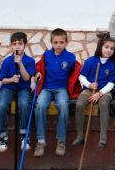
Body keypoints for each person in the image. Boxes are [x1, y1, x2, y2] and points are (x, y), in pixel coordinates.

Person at [34, 28, 81, 157]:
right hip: (46, 88)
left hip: (61, 88)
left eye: (61, 42)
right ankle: (41, 140)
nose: (58, 45)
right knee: (40, 106)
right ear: (51, 43)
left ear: (66, 42)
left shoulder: (70, 57)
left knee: (63, 106)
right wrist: (37, 72)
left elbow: (78, 70)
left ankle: (61, 140)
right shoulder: (46, 55)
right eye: (55, 42)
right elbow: (39, 66)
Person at [73, 33, 115, 148]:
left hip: (105, 91)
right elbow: (81, 77)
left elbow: (112, 83)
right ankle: (79, 136)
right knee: (79, 104)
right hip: (89, 89)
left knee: (103, 104)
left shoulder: (113, 64)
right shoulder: (91, 61)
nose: (109, 50)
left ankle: (103, 138)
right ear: (100, 47)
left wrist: (100, 93)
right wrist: (89, 84)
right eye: (106, 47)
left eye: (112, 48)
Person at [0, 32, 36, 152]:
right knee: (1, 105)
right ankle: (2, 136)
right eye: (14, 44)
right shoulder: (7, 61)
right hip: (8, 88)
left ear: (25, 45)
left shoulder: (29, 60)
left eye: (20, 43)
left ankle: (24, 135)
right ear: (11, 46)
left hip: (23, 88)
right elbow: (2, 79)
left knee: (24, 104)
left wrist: (20, 63)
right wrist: (11, 79)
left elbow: (27, 78)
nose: (17, 46)